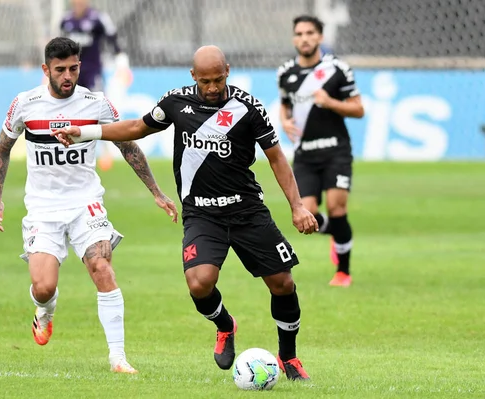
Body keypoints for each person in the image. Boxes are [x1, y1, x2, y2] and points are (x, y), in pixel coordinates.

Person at [53, 45, 318, 381]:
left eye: (218, 79)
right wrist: (85, 133)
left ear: (228, 71)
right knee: (199, 283)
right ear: (194, 76)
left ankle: (289, 357)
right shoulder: (176, 103)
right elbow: (137, 127)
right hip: (202, 214)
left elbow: (277, 158)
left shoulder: (248, 108)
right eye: (205, 81)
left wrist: (297, 206)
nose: (211, 87)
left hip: (247, 209)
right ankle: (225, 325)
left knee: (282, 283)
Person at [0, 37, 178, 374]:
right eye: (60, 69)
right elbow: (2, 148)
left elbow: (128, 146)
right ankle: (45, 311)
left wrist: (157, 192)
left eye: (73, 68)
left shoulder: (96, 103)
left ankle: (118, 357)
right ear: (46, 69)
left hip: (85, 203)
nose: (67, 76)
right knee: (44, 287)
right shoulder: (25, 104)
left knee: (101, 268)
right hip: (43, 208)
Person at [277, 15, 364, 287]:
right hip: (305, 154)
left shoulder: (337, 69)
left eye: (310, 33)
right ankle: (337, 234)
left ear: (320, 37)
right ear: (294, 39)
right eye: (299, 33)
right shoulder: (286, 73)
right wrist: (284, 120)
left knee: (338, 208)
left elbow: (358, 109)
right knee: (308, 217)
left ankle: (343, 272)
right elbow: (284, 104)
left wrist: (330, 102)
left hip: (336, 150)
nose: (304, 38)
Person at [60, 0, 130, 92]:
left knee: (96, 100)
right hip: (71, 71)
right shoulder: (65, 20)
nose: (79, 2)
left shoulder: (98, 18)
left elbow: (113, 39)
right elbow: (57, 46)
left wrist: (121, 61)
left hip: (93, 71)